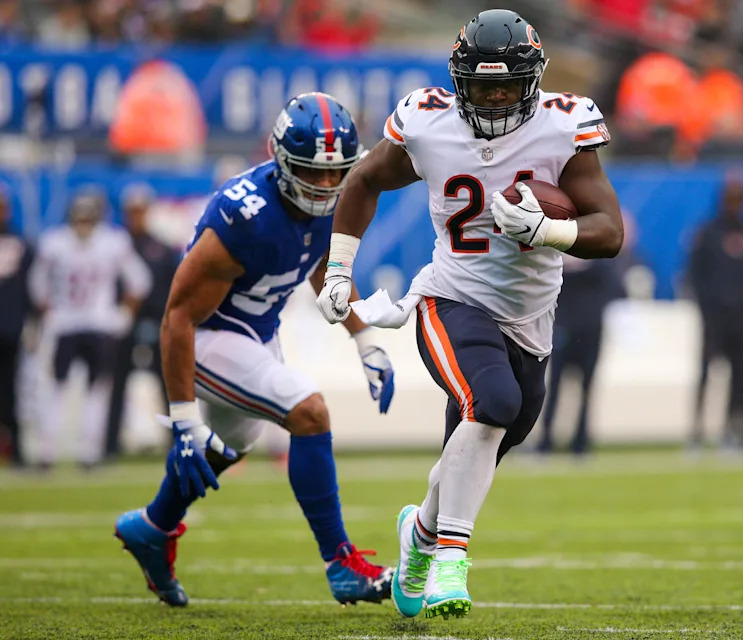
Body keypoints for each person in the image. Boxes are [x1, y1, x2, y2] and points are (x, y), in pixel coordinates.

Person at [316, 9, 623, 620]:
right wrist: (341, 268)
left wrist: (549, 230)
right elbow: (363, 181)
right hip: (450, 296)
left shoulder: (565, 126)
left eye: (507, 85)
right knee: (492, 403)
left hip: (530, 319)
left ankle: (420, 536)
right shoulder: (428, 121)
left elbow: (609, 232)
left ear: (533, 80)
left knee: (491, 430)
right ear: (460, 82)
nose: (496, 97)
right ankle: (451, 562)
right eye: (483, 87)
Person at [113, 93, 396, 608]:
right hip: (208, 336)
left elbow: (323, 266)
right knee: (308, 411)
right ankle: (342, 563)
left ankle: (152, 527)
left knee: (225, 448)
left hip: (256, 334)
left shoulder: (329, 198)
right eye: (315, 173)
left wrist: (366, 339)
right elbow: (177, 316)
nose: (328, 186)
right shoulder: (245, 216)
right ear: (283, 160)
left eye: (338, 174)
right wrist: (182, 417)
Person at [28, 189, 151, 469]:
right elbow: (38, 285)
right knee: (59, 389)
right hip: (73, 324)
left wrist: (124, 314)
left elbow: (139, 281)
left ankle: (86, 453)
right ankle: (49, 452)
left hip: (94, 324)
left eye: (88, 218)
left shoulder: (108, 242)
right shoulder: (57, 243)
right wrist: (50, 312)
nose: (83, 224)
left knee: (94, 390)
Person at [105, 184, 180, 460]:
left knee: (170, 382)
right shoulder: (112, 245)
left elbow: (174, 285)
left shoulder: (159, 246)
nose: (135, 216)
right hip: (121, 324)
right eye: (131, 211)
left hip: (157, 322)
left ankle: (177, 441)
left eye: (139, 210)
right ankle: (109, 444)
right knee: (116, 384)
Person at [687, 176, 743, 449]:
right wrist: (708, 308)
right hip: (715, 318)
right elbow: (695, 275)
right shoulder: (708, 233)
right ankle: (697, 430)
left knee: (741, 378)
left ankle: (735, 430)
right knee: (706, 375)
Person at [537, 254, 623, 456]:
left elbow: (616, 287)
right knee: (554, 388)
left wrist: (583, 267)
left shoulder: (601, 263)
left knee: (587, 389)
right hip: (563, 330)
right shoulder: (557, 260)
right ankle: (546, 440)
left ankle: (581, 441)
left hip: (590, 332)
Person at [0, 188, 33, 466]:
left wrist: (31, 322)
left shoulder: (20, 242)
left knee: (12, 392)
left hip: (10, 327)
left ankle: (17, 449)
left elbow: (30, 288)